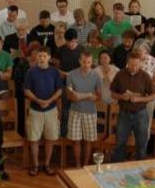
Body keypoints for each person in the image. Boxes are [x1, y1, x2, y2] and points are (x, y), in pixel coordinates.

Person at [110, 50, 155, 161]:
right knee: (120, 143)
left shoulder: (145, 76)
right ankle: (118, 168)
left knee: (141, 144)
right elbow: (113, 94)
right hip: (124, 113)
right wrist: (122, 97)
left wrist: (139, 99)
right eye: (131, 65)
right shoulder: (120, 74)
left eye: (136, 65)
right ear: (127, 63)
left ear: (140, 63)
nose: (134, 68)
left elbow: (153, 96)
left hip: (141, 114)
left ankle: (140, 168)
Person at [24, 47, 63, 175]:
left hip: (51, 110)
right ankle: (35, 165)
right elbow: (26, 90)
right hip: (35, 110)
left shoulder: (54, 72)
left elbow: (60, 90)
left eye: (44, 56)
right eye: (39, 56)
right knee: (34, 139)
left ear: (49, 57)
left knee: (50, 139)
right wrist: (38, 100)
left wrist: (49, 100)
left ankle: (47, 164)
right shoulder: (31, 72)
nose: (41, 58)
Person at [66, 50, 101, 167]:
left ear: (92, 62)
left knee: (88, 141)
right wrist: (88, 95)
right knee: (76, 140)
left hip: (90, 112)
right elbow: (70, 96)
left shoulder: (96, 76)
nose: (86, 64)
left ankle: (85, 164)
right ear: (80, 61)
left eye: (89, 62)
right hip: (75, 111)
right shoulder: (71, 74)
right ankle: (77, 164)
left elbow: (98, 96)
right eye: (84, 62)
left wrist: (81, 95)